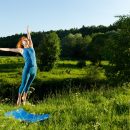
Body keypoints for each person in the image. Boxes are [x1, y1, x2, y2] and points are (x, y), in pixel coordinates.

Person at [0, 26, 37, 106]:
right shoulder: (21, 50)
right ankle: (19, 99)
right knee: (23, 84)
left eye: (26, 40)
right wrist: (1, 48)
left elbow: (29, 37)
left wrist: (28, 31)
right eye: (24, 41)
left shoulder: (31, 47)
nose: (26, 41)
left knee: (28, 85)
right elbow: (9, 49)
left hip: (34, 69)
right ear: (22, 44)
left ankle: (24, 99)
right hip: (27, 69)